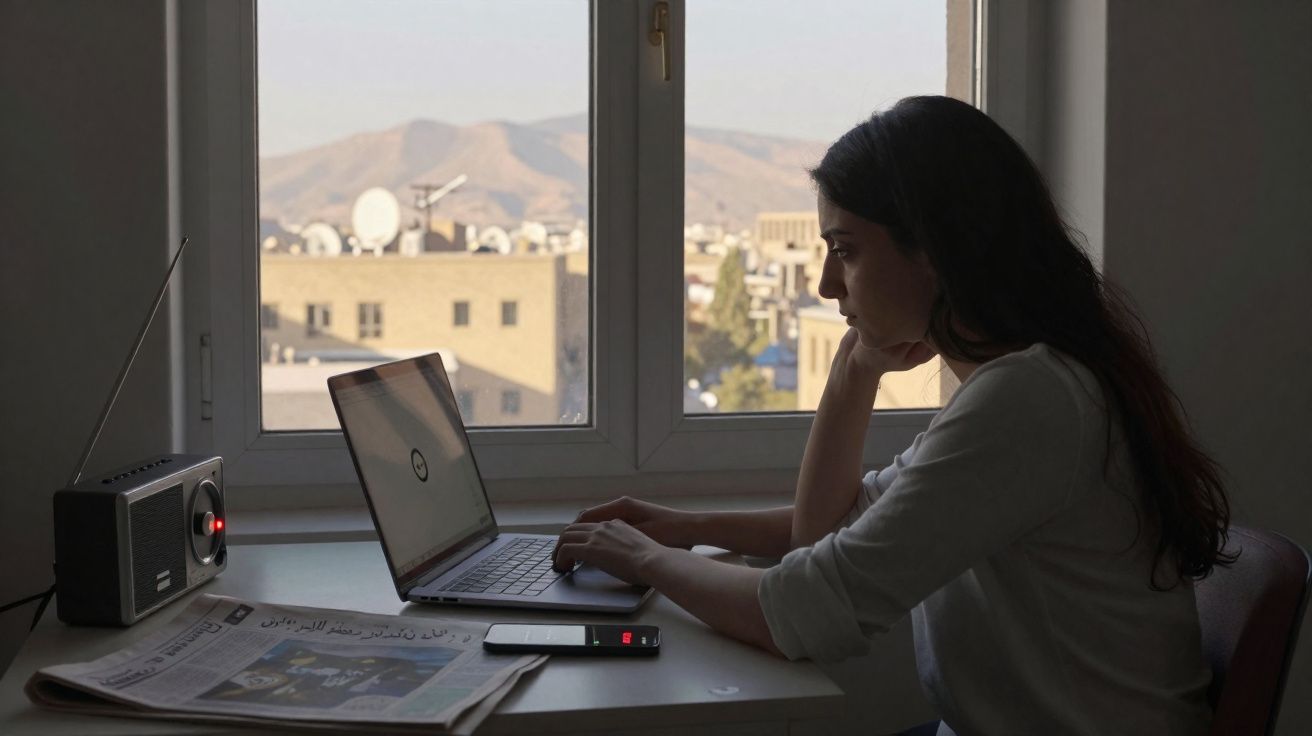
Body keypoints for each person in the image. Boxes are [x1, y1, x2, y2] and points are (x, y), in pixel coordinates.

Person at [550, 95, 1230, 735]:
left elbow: (805, 612)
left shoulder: (1029, 399)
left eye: (845, 250)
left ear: (933, 251)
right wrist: (686, 525)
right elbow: (836, 529)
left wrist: (642, 558)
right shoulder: (1021, 384)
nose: (825, 285)